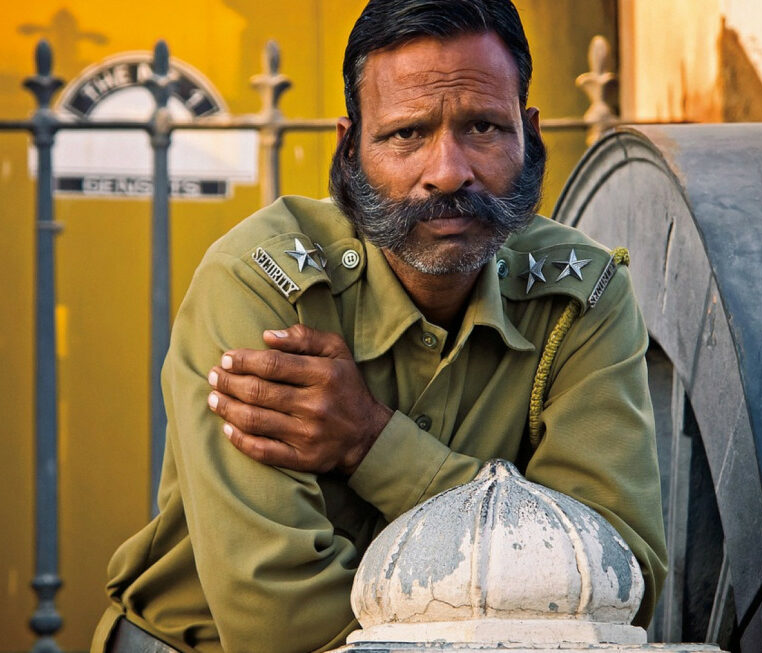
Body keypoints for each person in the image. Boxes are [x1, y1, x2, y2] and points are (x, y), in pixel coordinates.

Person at [91, 1, 666, 651]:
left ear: (528, 135)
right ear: (350, 147)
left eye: (482, 127)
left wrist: (372, 442)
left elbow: (619, 574)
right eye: (406, 134)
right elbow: (281, 619)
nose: (448, 171)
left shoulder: (581, 298)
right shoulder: (260, 286)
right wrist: (516, 550)